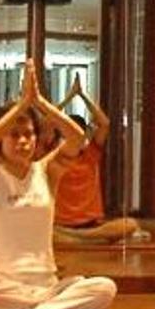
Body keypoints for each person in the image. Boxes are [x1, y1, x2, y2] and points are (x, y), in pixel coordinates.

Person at [0, 65, 118, 309]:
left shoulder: (46, 171)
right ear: (1, 140)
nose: (23, 141)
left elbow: (77, 137)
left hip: (47, 286)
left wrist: (40, 102)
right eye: (14, 135)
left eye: (29, 134)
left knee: (105, 288)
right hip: (3, 284)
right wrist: (21, 106)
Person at [53, 84, 145, 244]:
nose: (74, 139)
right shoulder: (54, 157)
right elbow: (47, 121)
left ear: (85, 135)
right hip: (61, 224)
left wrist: (82, 95)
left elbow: (104, 123)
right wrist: (68, 97)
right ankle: (89, 239)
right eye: (69, 135)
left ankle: (79, 238)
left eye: (78, 135)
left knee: (130, 224)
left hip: (91, 225)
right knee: (47, 231)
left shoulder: (91, 154)